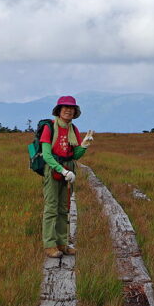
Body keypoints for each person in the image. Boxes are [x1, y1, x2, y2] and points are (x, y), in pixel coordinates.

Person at [39, 96, 95, 258]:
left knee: (64, 207)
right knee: (51, 207)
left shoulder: (73, 130)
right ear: (59, 110)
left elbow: (74, 155)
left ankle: (62, 243)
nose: (68, 110)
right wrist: (62, 171)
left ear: (75, 111)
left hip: (69, 169)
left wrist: (84, 145)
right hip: (53, 169)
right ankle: (49, 245)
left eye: (71, 108)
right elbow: (47, 155)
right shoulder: (49, 128)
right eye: (65, 107)